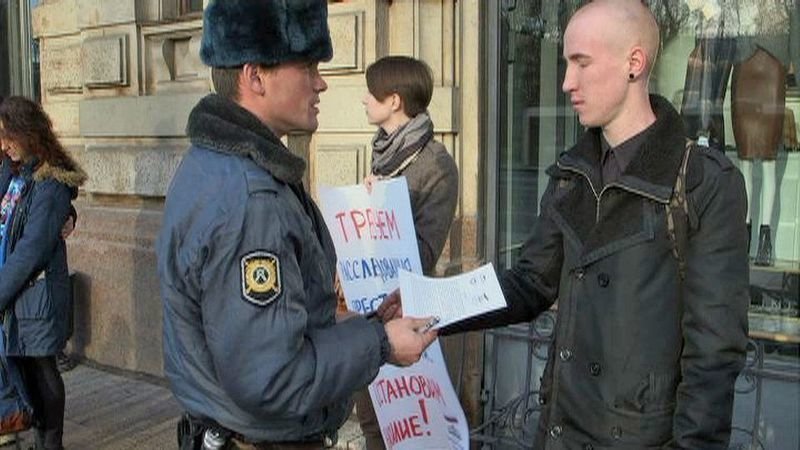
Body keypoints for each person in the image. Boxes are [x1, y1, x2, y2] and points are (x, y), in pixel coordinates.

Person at [382, 1, 750, 448]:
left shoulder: (702, 180)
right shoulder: (571, 174)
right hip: (561, 430)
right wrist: (432, 302)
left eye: (582, 63)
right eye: (566, 63)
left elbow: (714, 351)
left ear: (634, 63)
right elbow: (530, 282)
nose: (567, 82)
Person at [156, 1, 438, 449]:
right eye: (307, 67)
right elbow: (273, 376)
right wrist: (381, 344)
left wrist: (367, 327)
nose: (321, 82)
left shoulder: (218, 163)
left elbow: (275, 325)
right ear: (255, 77)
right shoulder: (251, 197)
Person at [356, 56, 459, 449]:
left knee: (404, 430)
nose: (364, 99)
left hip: (406, 316)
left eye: (371, 92)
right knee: (371, 420)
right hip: (368, 312)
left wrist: (381, 204)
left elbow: (423, 254)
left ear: (394, 100)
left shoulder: (437, 165)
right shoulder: (383, 153)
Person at [0, 95, 86, 450]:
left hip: (35, 292)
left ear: (27, 132)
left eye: (7, 137)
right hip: (17, 291)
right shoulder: (15, 172)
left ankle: (51, 442)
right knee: (27, 368)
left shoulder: (48, 182)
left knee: (42, 368)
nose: (3, 145)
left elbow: (32, 247)